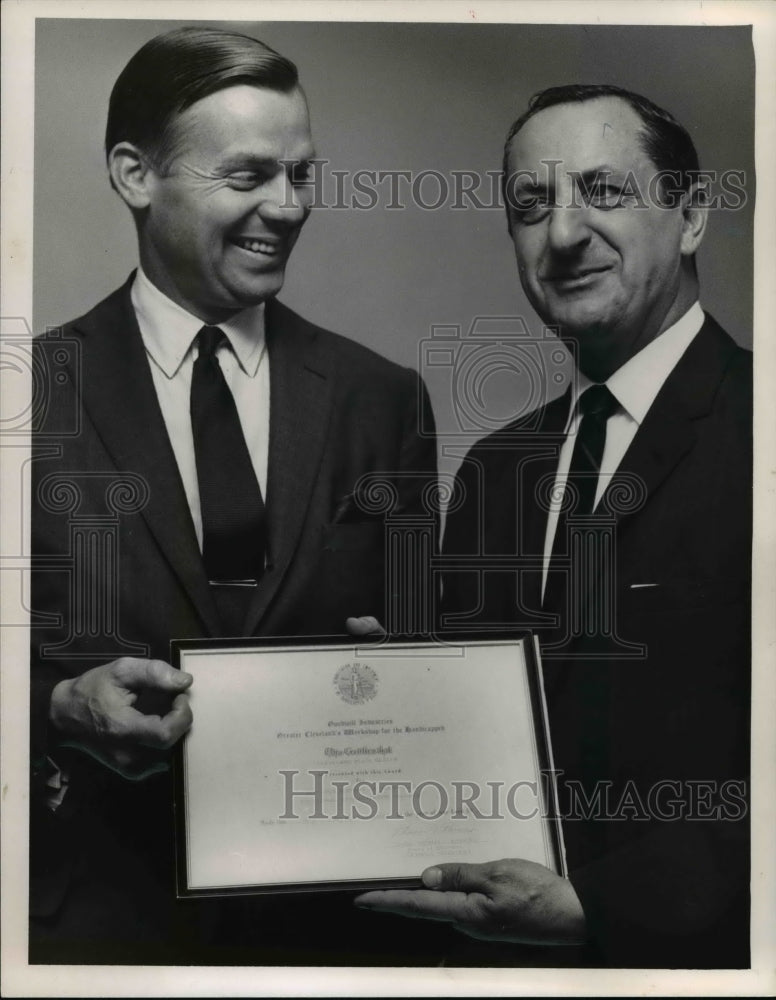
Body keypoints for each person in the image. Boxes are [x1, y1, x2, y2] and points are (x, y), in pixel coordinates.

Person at [29, 26, 444, 966]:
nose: (288, 207)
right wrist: (55, 710)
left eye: (303, 175)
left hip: (337, 941)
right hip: (90, 933)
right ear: (135, 174)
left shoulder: (386, 401)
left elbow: (425, 659)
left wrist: (420, 673)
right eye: (250, 175)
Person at [356, 85, 751, 968]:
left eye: (604, 192)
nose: (564, 235)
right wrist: (401, 695)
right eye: (531, 206)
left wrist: (596, 908)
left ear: (690, 216)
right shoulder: (495, 469)